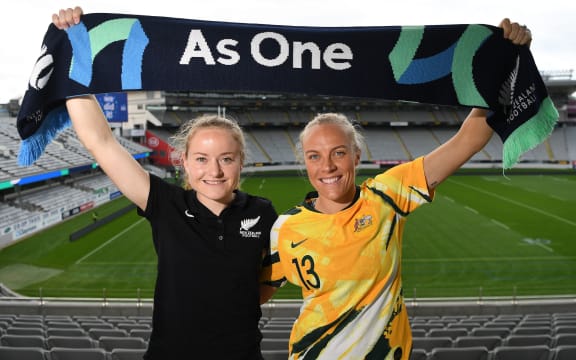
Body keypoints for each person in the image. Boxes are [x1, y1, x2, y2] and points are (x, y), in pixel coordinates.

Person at [262, 19, 533, 359]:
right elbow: (253, 293)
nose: (327, 166)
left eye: (339, 153)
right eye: (314, 156)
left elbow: (470, 139)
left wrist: (504, 59)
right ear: (305, 162)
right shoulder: (285, 228)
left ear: (356, 155)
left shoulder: (386, 195)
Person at [52, 7, 278, 359]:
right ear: (185, 163)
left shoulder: (263, 211)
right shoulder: (165, 203)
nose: (214, 171)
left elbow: (266, 280)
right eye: (201, 159)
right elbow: (101, 141)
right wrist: (74, 49)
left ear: (241, 163)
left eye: (226, 159)